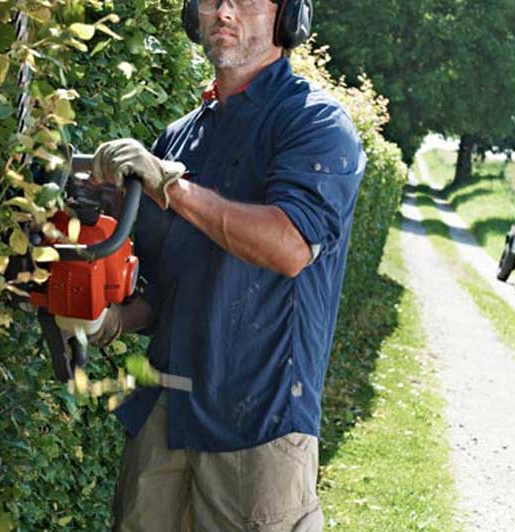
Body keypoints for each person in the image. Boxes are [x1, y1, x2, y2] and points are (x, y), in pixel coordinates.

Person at [89, 0, 365, 529]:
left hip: (259, 422)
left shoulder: (315, 122)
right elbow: (166, 289)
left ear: (289, 18)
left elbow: (288, 247)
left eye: (247, 1)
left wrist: (172, 188)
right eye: (212, 0)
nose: (225, 11)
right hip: (166, 418)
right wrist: (112, 320)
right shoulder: (180, 136)